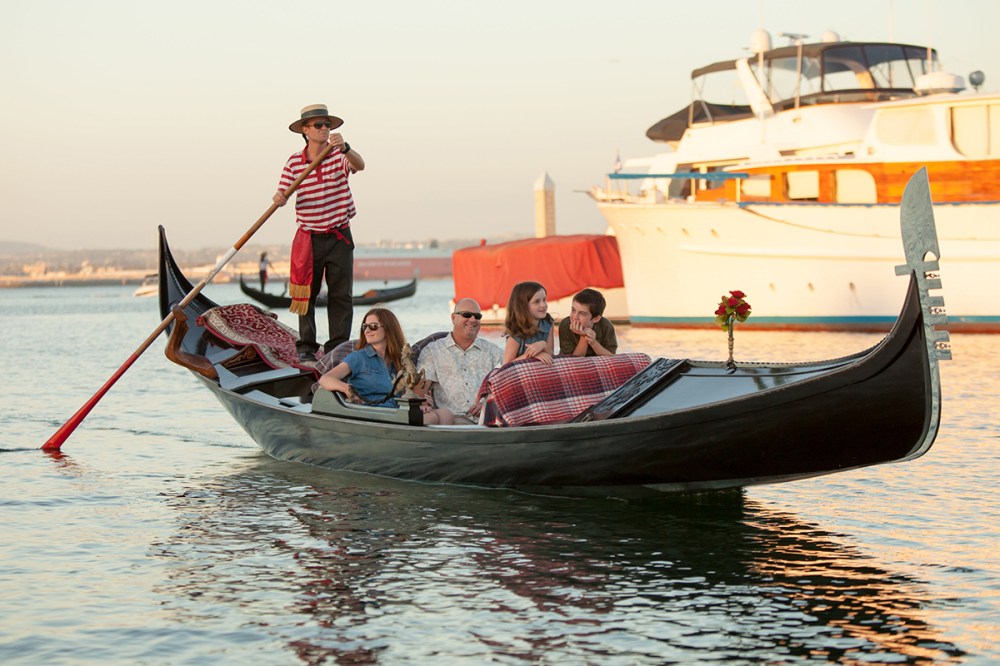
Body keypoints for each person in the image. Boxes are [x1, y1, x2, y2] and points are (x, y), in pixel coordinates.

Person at [273, 104, 366, 363]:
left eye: (327, 124)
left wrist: (346, 147)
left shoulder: (339, 155)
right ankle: (306, 346)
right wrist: (280, 197)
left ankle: (338, 345)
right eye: (319, 125)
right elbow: (282, 193)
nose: (325, 129)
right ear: (305, 130)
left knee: (340, 294)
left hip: (339, 235)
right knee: (307, 294)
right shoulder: (294, 162)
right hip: (309, 238)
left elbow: (360, 165)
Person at [317, 308, 454, 425]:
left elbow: (406, 394)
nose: (367, 331)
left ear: (388, 329)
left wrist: (420, 402)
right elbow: (325, 379)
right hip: (373, 415)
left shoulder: (401, 361)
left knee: (446, 414)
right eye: (365, 327)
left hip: (397, 412)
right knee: (431, 418)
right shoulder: (358, 357)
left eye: (373, 326)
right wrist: (346, 388)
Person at [417, 298, 504, 425]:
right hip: (453, 422)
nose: (473, 320)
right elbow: (419, 392)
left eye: (477, 316)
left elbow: (507, 387)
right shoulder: (433, 351)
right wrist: (424, 401)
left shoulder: (494, 352)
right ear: (453, 318)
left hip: (489, 420)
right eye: (466, 315)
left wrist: (488, 405)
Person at [502, 281, 554, 365]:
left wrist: (543, 344)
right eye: (537, 302)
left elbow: (551, 355)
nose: (543, 305)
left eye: (544, 300)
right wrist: (532, 356)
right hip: (521, 374)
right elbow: (506, 366)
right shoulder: (516, 331)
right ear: (523, 306)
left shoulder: (548, 322)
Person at [558, 288, 618, 357]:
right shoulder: (565, 325)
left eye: (582, 313)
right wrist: (584, 337)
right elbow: (574, 361)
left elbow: (612, 357)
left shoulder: (606, 326)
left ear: (595, 319)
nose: (575, 317)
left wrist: (594, 343)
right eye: (573, 310)